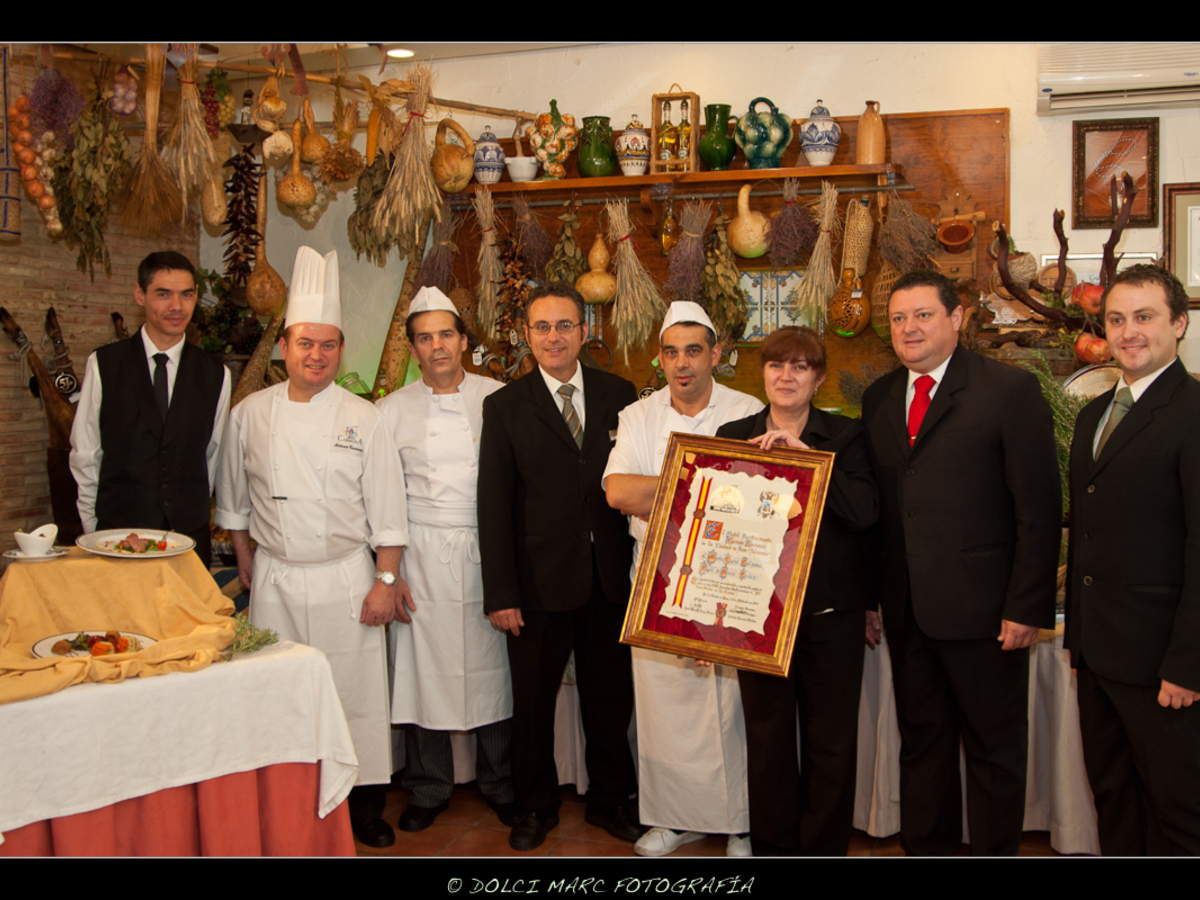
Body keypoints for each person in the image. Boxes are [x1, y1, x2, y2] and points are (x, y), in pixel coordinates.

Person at [860, 269, 1060, 856]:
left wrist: (1026, 606)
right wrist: (874, 597)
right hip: (907, 609)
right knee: (922, 744)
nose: (909, 328)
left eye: (922, 315)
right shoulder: (878, 398)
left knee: (994, 751)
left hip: (986, 614)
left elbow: (1039, 511)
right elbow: (880, 511)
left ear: (957, 317)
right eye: (898, 318)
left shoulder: (1009, 391)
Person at [214, 246, 408, 848]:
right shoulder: (250, 415)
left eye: (328, 345)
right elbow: (232, 498)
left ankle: (363, 808)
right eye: (305, 343)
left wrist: (384, 582)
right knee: (279, 692)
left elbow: (388, 512)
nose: (317, 355)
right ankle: (287, 804)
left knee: (354, 696)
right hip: (274, 579)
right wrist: (246, 557)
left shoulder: (364, 418)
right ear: (285, 347)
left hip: (346, 579)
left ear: (341, 350)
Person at [477, 281, 642, 852]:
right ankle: (533, 806)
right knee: (532, 704)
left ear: (585, 330)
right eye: (542, 327)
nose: (554, 337)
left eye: (565, 325)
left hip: (608, 579)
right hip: (536, 583)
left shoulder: (622, 395)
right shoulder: (503, 407)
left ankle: (609, 800)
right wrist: (500, 593)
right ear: (527, 335)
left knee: (609, 697)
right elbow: (493, 504)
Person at [603, 301, 763, 858]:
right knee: (664, 701)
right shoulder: (638, 415)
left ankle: (742, 822)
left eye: (693, 350)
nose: (681, 364)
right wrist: (711, 479)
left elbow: (759, 497)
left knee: (735, 703)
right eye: (671, 352)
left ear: (716, 353)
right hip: (658, 573)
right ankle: (673, 818)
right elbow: (618, 493)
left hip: (732, 575)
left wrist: (665, 490)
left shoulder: (749, 408)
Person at [716, 326, 879, 856]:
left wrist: (805, 457)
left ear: (819, 378)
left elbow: (864, 514)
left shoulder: (847, 436)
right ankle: (772, 848)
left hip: (831, 615)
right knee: (767, 744)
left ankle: (823, 850)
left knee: (831, 744)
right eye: (776, 365)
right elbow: (710, 526)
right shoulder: (732, 433)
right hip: (755, 617)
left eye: (800, 367)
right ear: (762, 373)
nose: (786, 376)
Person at [1064, 264, 1200, 855]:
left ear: (1179, 323)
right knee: (1114, 799)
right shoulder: (1094, 414)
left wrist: (1188, 665)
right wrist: (1079, 643)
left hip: (1163, 663)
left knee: (1178, 813)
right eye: (1116, 319)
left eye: (1144, 317)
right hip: (1098, 654)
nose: (1128, 332)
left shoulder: (1194, 413)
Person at [376, 286, 515, 833]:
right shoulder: (388, 412)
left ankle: (499, 782)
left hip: (488, 552)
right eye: (424, 338)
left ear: (464, 341)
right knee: (421, 674)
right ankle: (428, 786)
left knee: (495, 671)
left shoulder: (500, 399)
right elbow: (383, 498)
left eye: (446, 335)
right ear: (413, 349)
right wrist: (391, 572)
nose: (437, 346)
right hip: (421, 557)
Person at [70, 251, 231, 569]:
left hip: (188, 542)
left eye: (186, 295)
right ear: (139, 294)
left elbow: (214, 457)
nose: (177, 307)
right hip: (117, 538)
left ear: (196, 296)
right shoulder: (104, 364)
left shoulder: (215, 373)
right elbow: (86, 453)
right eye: (163, 294)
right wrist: (94, 530)